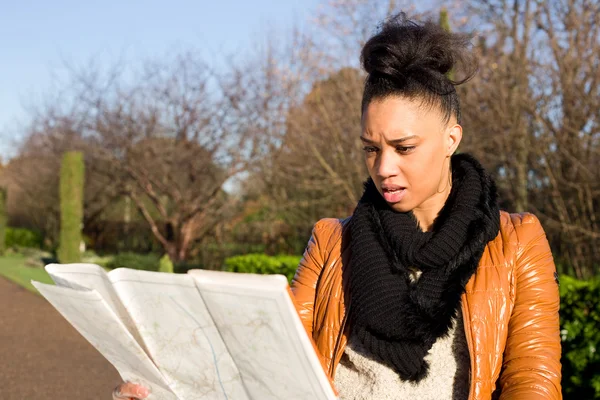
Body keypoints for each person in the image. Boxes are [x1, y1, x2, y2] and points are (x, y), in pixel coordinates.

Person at [113, 13, 561, 400]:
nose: (383, 167)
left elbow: (533, 379)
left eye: (403, 148)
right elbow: (270, 359)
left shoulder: (516, 242)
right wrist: (166, 382)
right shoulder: (332, 241)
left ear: (451, 139)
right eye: (371, 148)